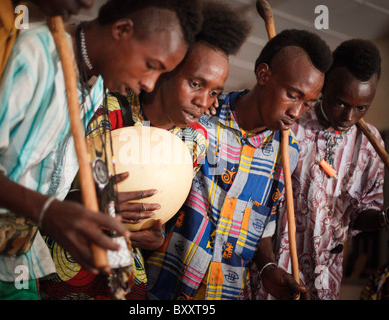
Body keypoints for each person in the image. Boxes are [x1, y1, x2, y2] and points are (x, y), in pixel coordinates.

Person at [0, 0, 203, 299]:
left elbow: (49, 184)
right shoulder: (36, 53)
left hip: (18, 262)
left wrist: (99, 206)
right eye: (151, 66)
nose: (150, 84)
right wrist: (48, 211)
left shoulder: (97, 87)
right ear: (122, 30)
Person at [39, 0, 251, 300]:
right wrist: (89, 202)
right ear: (168, 67)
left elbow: (162, 215)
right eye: (195, 83)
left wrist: (155, 237)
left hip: (124, 274)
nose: (204, 101)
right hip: (68, 258)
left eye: (214, 92)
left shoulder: (195, 141)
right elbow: (51, 189)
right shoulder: (105, 106)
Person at [146, 29, 333, 300]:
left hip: (229, 292)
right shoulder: (200, 119)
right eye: (293, 94)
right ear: (264, 75)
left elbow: (263, 223)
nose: (296, 112)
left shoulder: (288, 151)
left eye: (307, 103)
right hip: (165, 286)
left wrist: (268, 266)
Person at [0, 0, 95, 301]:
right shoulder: (31, 46)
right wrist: (46, 210)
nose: (88, 3)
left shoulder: (13, 27)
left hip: (16, 254)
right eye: (151, 64)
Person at [252, 39, 389, 300]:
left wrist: (388, 216)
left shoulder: (369, 144)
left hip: (325, 280)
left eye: (362, 107)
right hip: (270, 273)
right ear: (324, 85)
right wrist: (267, 264)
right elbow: (257, 204)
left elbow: (359, 217)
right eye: (341, 103)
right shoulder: (291, 123)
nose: (349, 117)